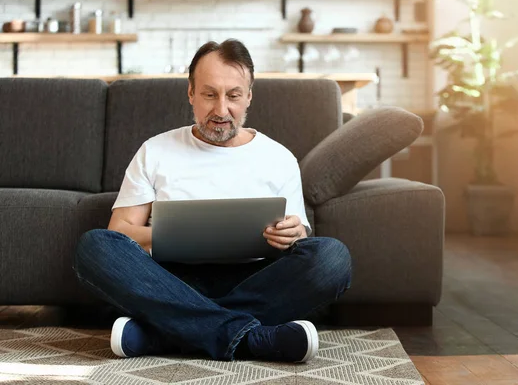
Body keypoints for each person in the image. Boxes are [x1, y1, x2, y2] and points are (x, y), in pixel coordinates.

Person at [73, 39, 352, 363]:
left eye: (233, 95)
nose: (221, 110)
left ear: (249, 96)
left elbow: (300, 239)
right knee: (94, 247)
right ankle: (254, 338)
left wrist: (293, 234)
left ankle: (164, 333)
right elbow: (118, 233)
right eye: (209, 94)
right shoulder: (155, 150)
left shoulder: (279, 158)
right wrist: (178, 237)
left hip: (254, 280)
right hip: (169, 280)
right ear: (191, 93)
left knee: (332, 257)